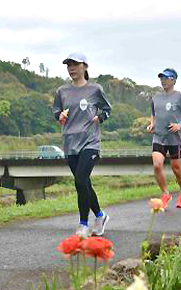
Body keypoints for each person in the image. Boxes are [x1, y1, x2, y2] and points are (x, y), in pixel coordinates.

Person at [53, 52, 111, 238]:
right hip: (70, 143)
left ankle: (83, 225)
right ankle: (100, 216)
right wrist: (59, 116)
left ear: (85, 66)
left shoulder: (95, 89)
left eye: (75, 64)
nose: (71, 68)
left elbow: (107, 109)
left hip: (90, 142)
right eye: (68, 65)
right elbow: (56, 111)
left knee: (80, 180)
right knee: (84, 183)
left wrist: (100, 117)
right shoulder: (62, 91)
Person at [147, 68, 181, 209]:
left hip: (175, 139)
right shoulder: (156, 98)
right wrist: (152, 124)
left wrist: (180, 125)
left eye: (166, 78)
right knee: (157, 165)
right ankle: (165, 193)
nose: (163, 80)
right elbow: (154, 114)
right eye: (161, 78)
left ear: (174, 80)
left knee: (176, 169)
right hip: (159, 137)